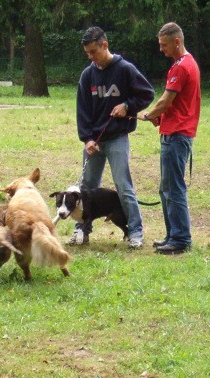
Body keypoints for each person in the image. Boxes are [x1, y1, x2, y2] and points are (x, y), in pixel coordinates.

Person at [74, 26, 155, 249]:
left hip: (118, 137)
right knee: (87, 186)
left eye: (93, 51)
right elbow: (82, 111)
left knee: (123, 186)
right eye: (87, 53)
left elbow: (147, 94)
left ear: (105, 45)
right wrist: (87, 139)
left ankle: (135, 231)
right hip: (94, 141)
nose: (91, 57)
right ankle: (82, 230)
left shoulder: (125, 69)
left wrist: (127, 105)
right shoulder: (87, 75)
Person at [140, 22, 200, 255]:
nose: (161, 49)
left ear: (177, 41)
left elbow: (165, 101)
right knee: (166, 188)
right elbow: (177, 103)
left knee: (173, 189)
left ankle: (180, 238)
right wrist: (160, 117)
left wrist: (149, 114)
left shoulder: (180, 67)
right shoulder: (189, 62)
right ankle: (172, 234)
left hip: (176, 135)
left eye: (164, 45)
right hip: (177, 131)